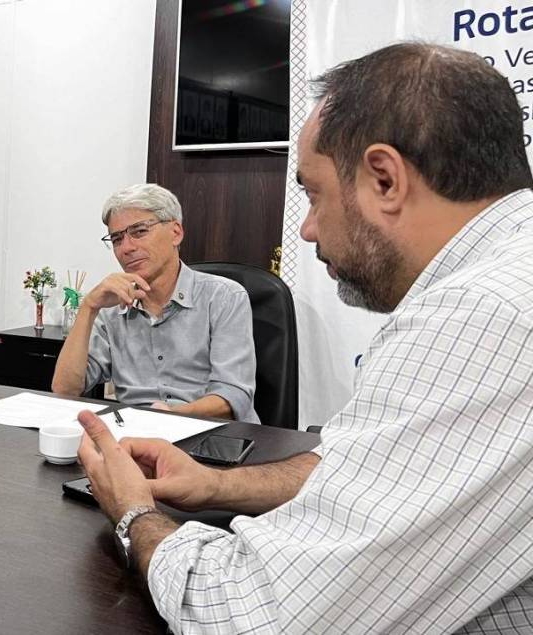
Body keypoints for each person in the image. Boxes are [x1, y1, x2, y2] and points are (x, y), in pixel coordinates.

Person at [76, 42, 533, 633]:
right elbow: (363, 470)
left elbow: (252, 614)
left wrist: (134, 513)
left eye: (314, 194)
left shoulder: (477, 316)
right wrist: (214, 483)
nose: (308, 229)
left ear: (385, 179)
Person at [51, 183, 259, 423]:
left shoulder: (225, 297)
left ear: (175, 233)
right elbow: (65, 390)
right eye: (117, 239)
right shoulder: (111, 307)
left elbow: (233, 396)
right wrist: (88, 307)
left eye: (139, 231)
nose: (127, 248)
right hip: (136, 434)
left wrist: (168, 417)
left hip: (212, 432)